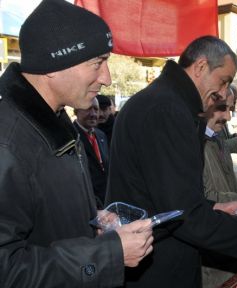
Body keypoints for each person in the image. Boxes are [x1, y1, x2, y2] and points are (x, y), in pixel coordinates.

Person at [106, 35, 237, 288]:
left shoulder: (168, 103)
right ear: (200, 67)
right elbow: (183, 215)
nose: (223, 94)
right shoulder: (167, 110)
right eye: (223, 81)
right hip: (157, 268)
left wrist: (215, 208)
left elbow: (172, 195)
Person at [0, 1, 153, 286]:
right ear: (51, 66)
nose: (107, 78)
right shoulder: (7, 143)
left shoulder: (54, 119)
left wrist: (92, 216)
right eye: (97, 63)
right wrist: (108, 253)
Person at [73, 96, 110, 204]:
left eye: (96, 109)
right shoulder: (70, 136)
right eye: (88, 109)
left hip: (105, 201)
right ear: (76, 111)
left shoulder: (101, 135)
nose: (93, 114)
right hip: (86, 202)